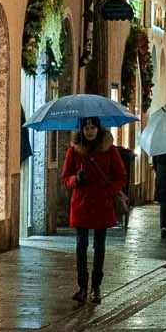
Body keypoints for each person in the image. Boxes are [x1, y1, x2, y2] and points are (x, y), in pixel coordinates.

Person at [61, 118, 126, 303]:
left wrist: (110, 190)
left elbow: (121, 176)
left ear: (99, 129)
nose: (90, 132)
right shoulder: (74, 152)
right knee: (81, 246)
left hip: (101, 204)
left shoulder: (109, 151)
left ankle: (96, 286)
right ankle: (82, 286)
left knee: (99, 246)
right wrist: (76, 179)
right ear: (81, 130)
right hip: (81, 205)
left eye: (93, 128)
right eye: (86, 128)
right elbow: (65, 178)